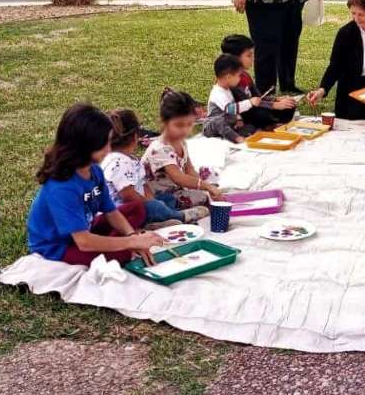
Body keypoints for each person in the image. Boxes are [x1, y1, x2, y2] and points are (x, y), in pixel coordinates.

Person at [26, 103, 167, 266]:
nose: (109, 149)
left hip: (85, 229)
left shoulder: (94, 171)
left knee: (137, 208)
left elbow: (111, 211)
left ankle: (114, 242)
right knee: (124, 255)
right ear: (84, 146)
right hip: (58, 246)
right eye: (104, 144)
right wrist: (131, 244)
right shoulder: (61, 187)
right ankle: (113, 245)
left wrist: (131, 237)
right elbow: (83, 242)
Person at [102, 109, 208, 226]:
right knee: (155, 207)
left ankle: (160, 219)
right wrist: (151, 203)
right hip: (125, 212)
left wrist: (152, 200)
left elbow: (144, 185)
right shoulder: (118, 162)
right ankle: (180, 216)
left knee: (166, 199)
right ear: (135, 137)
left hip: (141, 204)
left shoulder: (130, 159)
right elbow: (128, 195)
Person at [143, 89, 223, 207]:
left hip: (176, 190)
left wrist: (206, 187)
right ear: (164, 122)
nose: (185, 130)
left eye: (189, 124)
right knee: (203, 197)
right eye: (179, 125)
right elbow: (178, 178)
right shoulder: (160, 148)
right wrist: (206, 187)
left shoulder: (180, 142)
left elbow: (189, 170)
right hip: (160, 197)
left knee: (211, 175)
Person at [220, 34, 296, 129]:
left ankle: (272, 123)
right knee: (260, 113)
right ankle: (270, 124)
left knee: (289, 105)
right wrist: (274, 105)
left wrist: (277, 100)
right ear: (234, 58)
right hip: (241, 112)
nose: (253, 58)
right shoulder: (231, 79)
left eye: (253, 54)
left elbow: (258, 97)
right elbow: (246, 103)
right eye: (249, 55)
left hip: (254, 107)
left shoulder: (245, 75)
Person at [203, 54, 261, 143]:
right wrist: (249, 102)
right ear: (228, 77)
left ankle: (238, 134)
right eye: (238, 76)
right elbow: (230, 108)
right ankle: (237, 138)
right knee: (218, 121)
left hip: (229, 124)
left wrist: (238, 119)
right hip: (213, 127)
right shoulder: (218, 93)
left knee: (249, 127)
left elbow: (232, 112)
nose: (239, 79)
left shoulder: (228, 89)